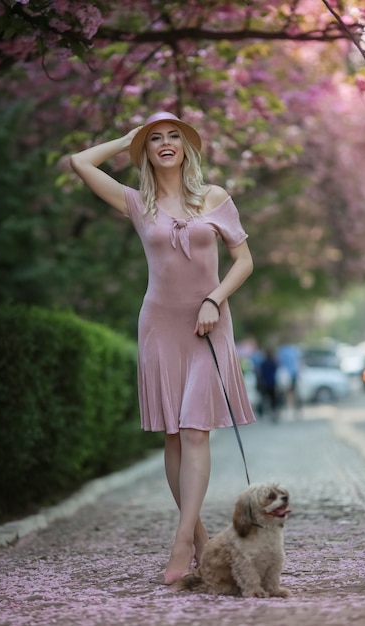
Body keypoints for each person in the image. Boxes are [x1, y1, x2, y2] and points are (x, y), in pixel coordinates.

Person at [70, 111, 256, 585]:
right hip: (159, 326)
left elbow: (244, 260)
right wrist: (125, 139)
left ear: (187, 148)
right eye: (156, 139)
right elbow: (79, 162)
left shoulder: (212, 197)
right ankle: (199, 540)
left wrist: (215, 297)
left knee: (195, 430)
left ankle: (179, 543)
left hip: (208, 324)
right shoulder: (136, 202)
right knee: (173, 434)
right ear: (147, 151)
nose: (167, 143)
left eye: (175, 136)